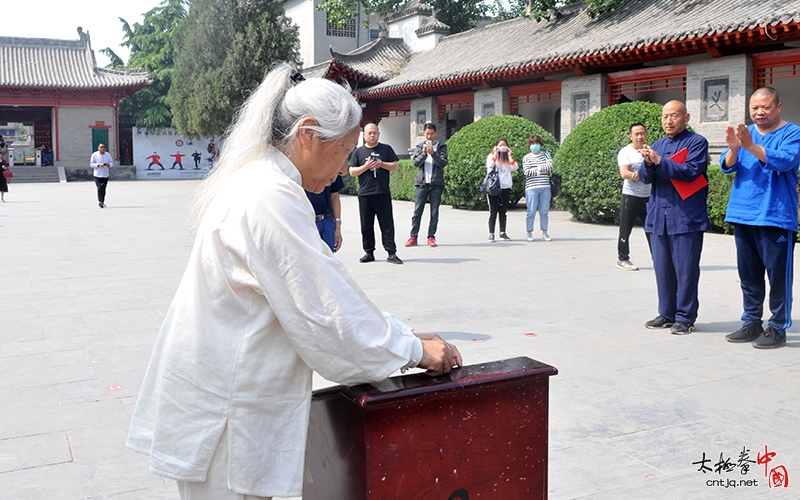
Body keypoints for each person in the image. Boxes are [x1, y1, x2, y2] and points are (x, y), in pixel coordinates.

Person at [126, 63, 461, 500]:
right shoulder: (270, 196)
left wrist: (401, 335)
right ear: (307, 135)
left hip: (223, 404)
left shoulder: (265, 183)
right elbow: (324, 313)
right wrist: (414, 350)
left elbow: (326, 283)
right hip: (227, 417)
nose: (342, 170)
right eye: (342, 151)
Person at [719, 86, 800, 349]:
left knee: (778, 277)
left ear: (778, 107)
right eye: (755, 107)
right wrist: (734, 148)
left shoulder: (792, 132)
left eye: (765, 107)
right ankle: (752, 322)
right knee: (749, 275)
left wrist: (751, 146)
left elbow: (787, 161)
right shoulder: (746, 134)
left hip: (775, 215)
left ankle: (777, 327)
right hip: (743, 214)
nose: (759, 112)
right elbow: (727, 165)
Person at [638, 100, 709, 335]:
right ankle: (667, 313)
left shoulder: (696, 142)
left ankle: (685, 317)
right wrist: (649, 163)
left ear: (686, 118)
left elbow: (690, 172)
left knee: (686, 269)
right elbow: (644, 177)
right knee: (662, 268)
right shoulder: (657, 144)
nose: (668, 121)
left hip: (685, 216)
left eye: (674, 116)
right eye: (665, 116)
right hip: (659, 215)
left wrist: (659, 161)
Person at [349, 122, 403, 264]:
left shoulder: (386, 149)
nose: (372, 135)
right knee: (366, 225)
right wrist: (366, 166)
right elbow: (352, 171)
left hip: (382, 192)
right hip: (365, 194)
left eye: (375, 132)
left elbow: (396, 166)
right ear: (364, 135)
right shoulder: (358, 152)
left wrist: (381, 164)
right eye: (369, 133)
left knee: (387, 224)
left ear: (379, 134)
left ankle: (391, 253)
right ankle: (369, 252)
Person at [616, 123, 652, 270]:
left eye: (642, 133)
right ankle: (623, 259)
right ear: (630, 136)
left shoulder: (650, 151)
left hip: (649, 196)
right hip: (631, 196)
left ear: (646, 134)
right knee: (625, 228)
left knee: (652, 229)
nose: (639, 136)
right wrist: (642, 175)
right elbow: (624, 173)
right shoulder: (625, 152)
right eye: (636, 134)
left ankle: (658, 259)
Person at [406, 123, 447, 247]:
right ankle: (413, 236)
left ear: (435, 133)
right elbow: (415, 163)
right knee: (417, 211)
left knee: (434, 212)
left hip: (436, 183)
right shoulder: (419, 146)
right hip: (422, 183)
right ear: (424, 133)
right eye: (427, 133)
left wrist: (434, 153)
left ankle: (431, 237)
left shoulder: (441, 146)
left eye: (432, 133)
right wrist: (424, 154)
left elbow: (443, 163)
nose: (429, 136)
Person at [522, 135, 553, 242]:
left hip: (545, 187)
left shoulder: (546, 154)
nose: (534, 146)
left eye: (536, 143)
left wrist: (535, 168)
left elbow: (550, 166)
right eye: (532, 144)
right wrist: (542, 171)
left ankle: (545, 232)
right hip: (531, 187)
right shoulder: (527, 157)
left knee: (544, 211)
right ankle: (529, 232)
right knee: (531, 211)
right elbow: (527, 172)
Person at [485, 137, 517, 241]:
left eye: (504, 145)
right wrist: (495, 154)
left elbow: (514, 167)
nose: (502, 147)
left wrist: (510, 155)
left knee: (503, 211)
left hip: (505, 187)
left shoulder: (507, 158)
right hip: (494, 187)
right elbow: (490, 165)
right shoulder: (491, 156)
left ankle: (503, 232)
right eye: (500, 145)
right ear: (496, 146)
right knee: (493, 211)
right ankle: (491, 233)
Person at [305, 175, 344, 252]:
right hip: (307, 222)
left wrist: (337, 228)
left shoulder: (331, 167)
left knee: (329, 258)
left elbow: (334, 196)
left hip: (327, 222)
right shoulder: (301, 167)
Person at [90, 143, 113, 208]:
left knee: (103, 188)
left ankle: (102, 201)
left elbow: (111, 163)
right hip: (97, 174)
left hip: (105, 174)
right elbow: (91, 164)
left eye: (104, 147)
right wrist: (98, 165)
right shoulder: (94, 155)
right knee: (99, 187)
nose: (102, 148)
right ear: (98, 148)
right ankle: (100, 201)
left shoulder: (108, 155)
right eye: (101, 147)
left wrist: (108, 165)